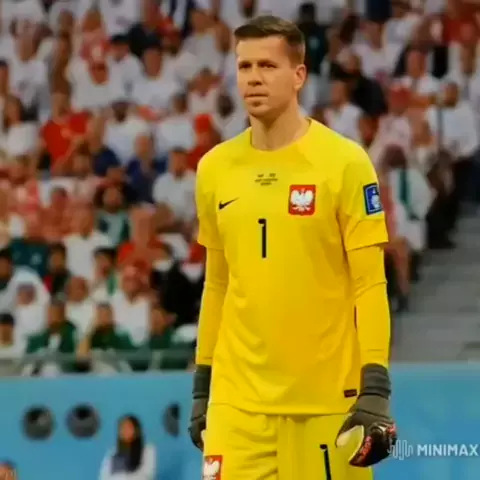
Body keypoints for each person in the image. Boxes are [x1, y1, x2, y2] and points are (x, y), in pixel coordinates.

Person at [189, 15, 397, 480]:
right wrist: (203, 385)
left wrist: (376, 385)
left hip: (328, 403)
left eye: (267, 65)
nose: (254, 78)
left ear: (299, 75)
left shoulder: (345, 162)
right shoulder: (214, 168)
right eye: (244, 66)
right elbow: (217, 284)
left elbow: (370, 284)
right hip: (237, 406)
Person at [99, 415, 156, 480]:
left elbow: (147, 475)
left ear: (136, 430)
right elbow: (103, 477)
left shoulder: (148, 449)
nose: (125, 430)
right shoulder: (112, 452)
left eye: (128, 427)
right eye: (122, 428)